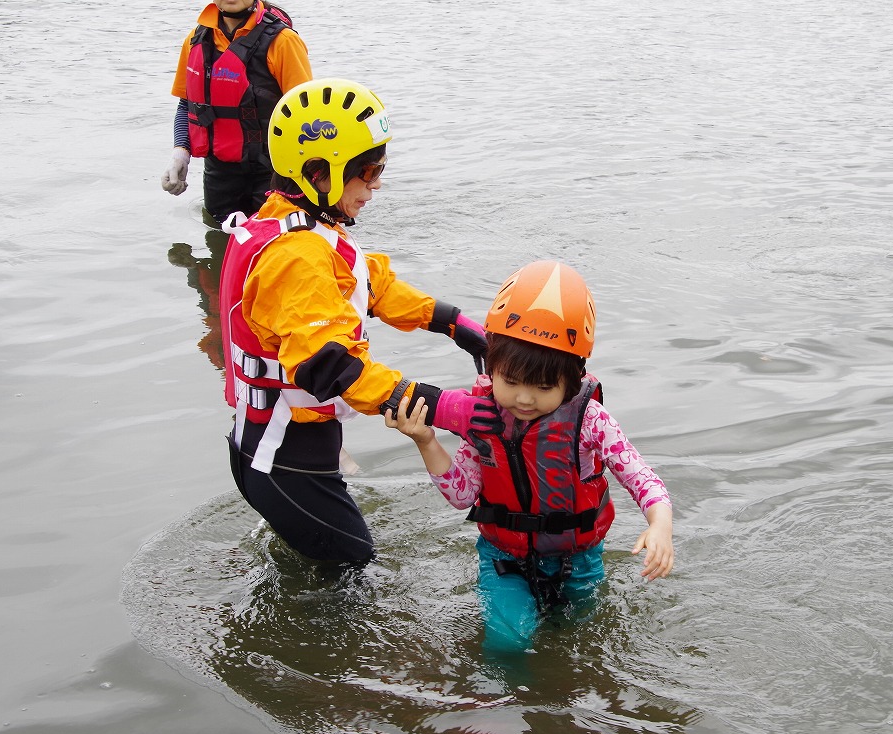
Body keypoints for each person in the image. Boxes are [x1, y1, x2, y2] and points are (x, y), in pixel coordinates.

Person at [219, 77, 502, 565]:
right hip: (282, 462)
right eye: (367, 171)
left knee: (328, 561)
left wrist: (455, 323)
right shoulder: (295, 258)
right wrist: (443, 408)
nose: (376, 185)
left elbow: (371, 286)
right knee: (353, 571)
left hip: (295, 450)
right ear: (318, 173)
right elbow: (333, 368)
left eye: (379, 169)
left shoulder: (305, 228)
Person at [386, 260, 675, 652]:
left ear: (571, 381)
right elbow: (461, 496)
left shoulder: (590, 420)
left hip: (579, 561)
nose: (523, 398)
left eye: (542, 387)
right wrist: (426, 441)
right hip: (503, 559)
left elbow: (642, 479)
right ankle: (498, 709)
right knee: (507, 641)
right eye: (511, 382)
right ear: (493, 368)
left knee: (582, 643)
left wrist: (660, 526)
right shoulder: (482, 414)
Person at [160, 0, 313, 224]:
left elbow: (306, 114)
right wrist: (180, 154)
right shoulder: (195, 40)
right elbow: (187, 105)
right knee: (221, 241)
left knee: (275, 243)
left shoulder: (284, 42)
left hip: (275, 172)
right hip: (219, 174)